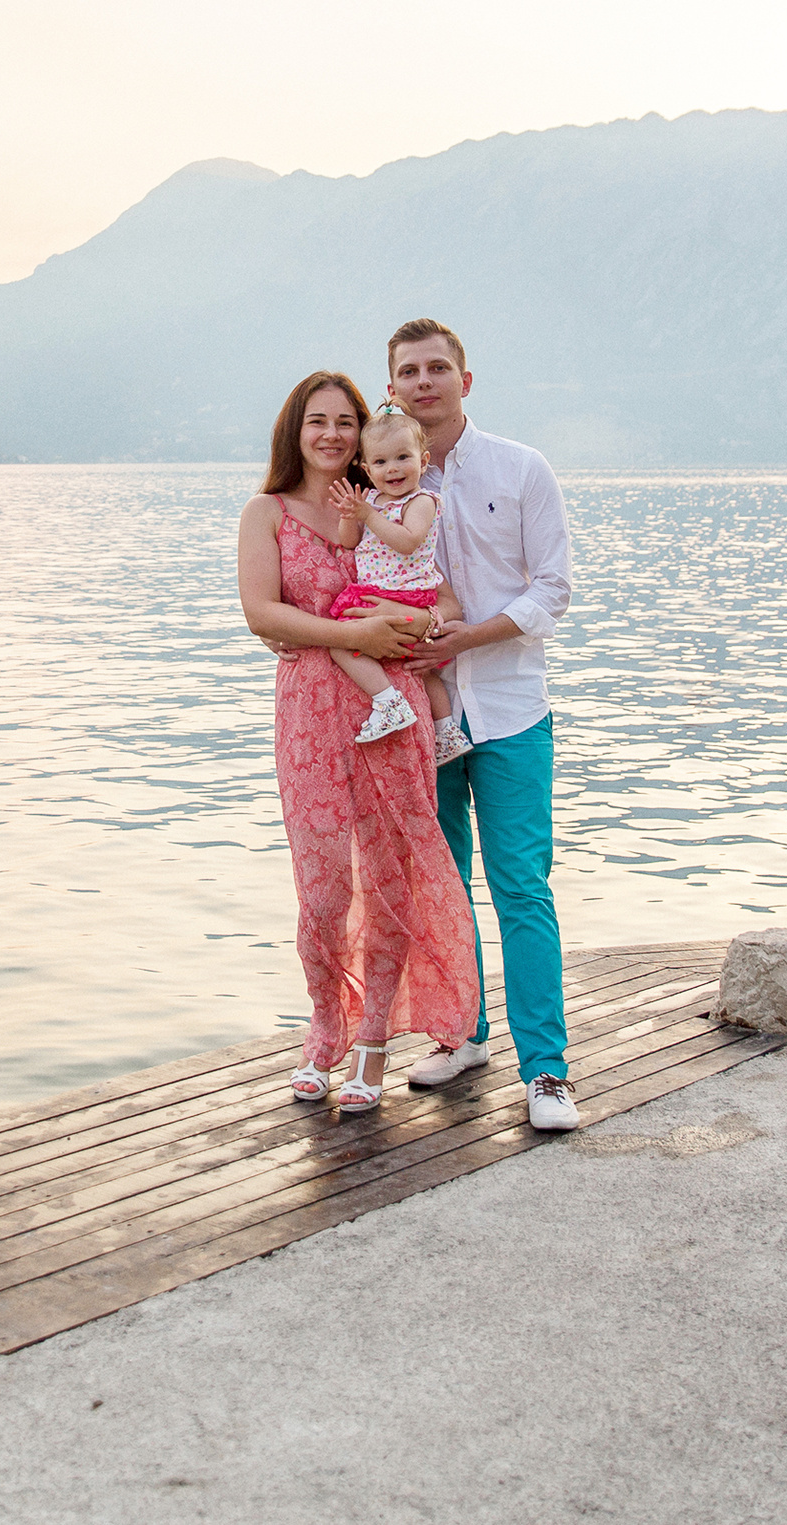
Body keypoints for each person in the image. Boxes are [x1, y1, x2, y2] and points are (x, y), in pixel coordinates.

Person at [236, 371, 481, 1113]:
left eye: (346, 421)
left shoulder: (382, 504)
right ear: (295, 430)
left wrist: (417, 627)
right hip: (310, 714)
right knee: (321, 887)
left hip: (391, 709)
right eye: (319, 421)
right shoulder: (266, 512)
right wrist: (354, 633)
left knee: (387, 877)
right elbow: (261, 613)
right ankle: (323, 1029)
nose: (334, 434)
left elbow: (437, 594)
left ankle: (373, 1040)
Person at [385, 318, 581, 1132]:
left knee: (521, 887)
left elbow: (554, 589)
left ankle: (547, 1072)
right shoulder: (381, 481)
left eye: (438, 367)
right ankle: (462, 1034)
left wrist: (472, 634)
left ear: (466, 377)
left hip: (508, 709)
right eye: (409, 371)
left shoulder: (521, 467)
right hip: (418, 717)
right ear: (391, 385)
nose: (424, 381)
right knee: (441, 883)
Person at [321, 409, 470, 762]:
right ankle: (446, 731)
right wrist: (349, 516)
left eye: (403, 457)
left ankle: (389, 702)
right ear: (368, 470)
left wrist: (369, 516)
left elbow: (408, 541)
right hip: (382, 591)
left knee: (340, 644)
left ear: (423, 461)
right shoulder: (371, 501)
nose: (393, 469)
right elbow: (350, 542)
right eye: (381, 461)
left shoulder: (422, 502)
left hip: (405, 594)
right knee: (417, 668)